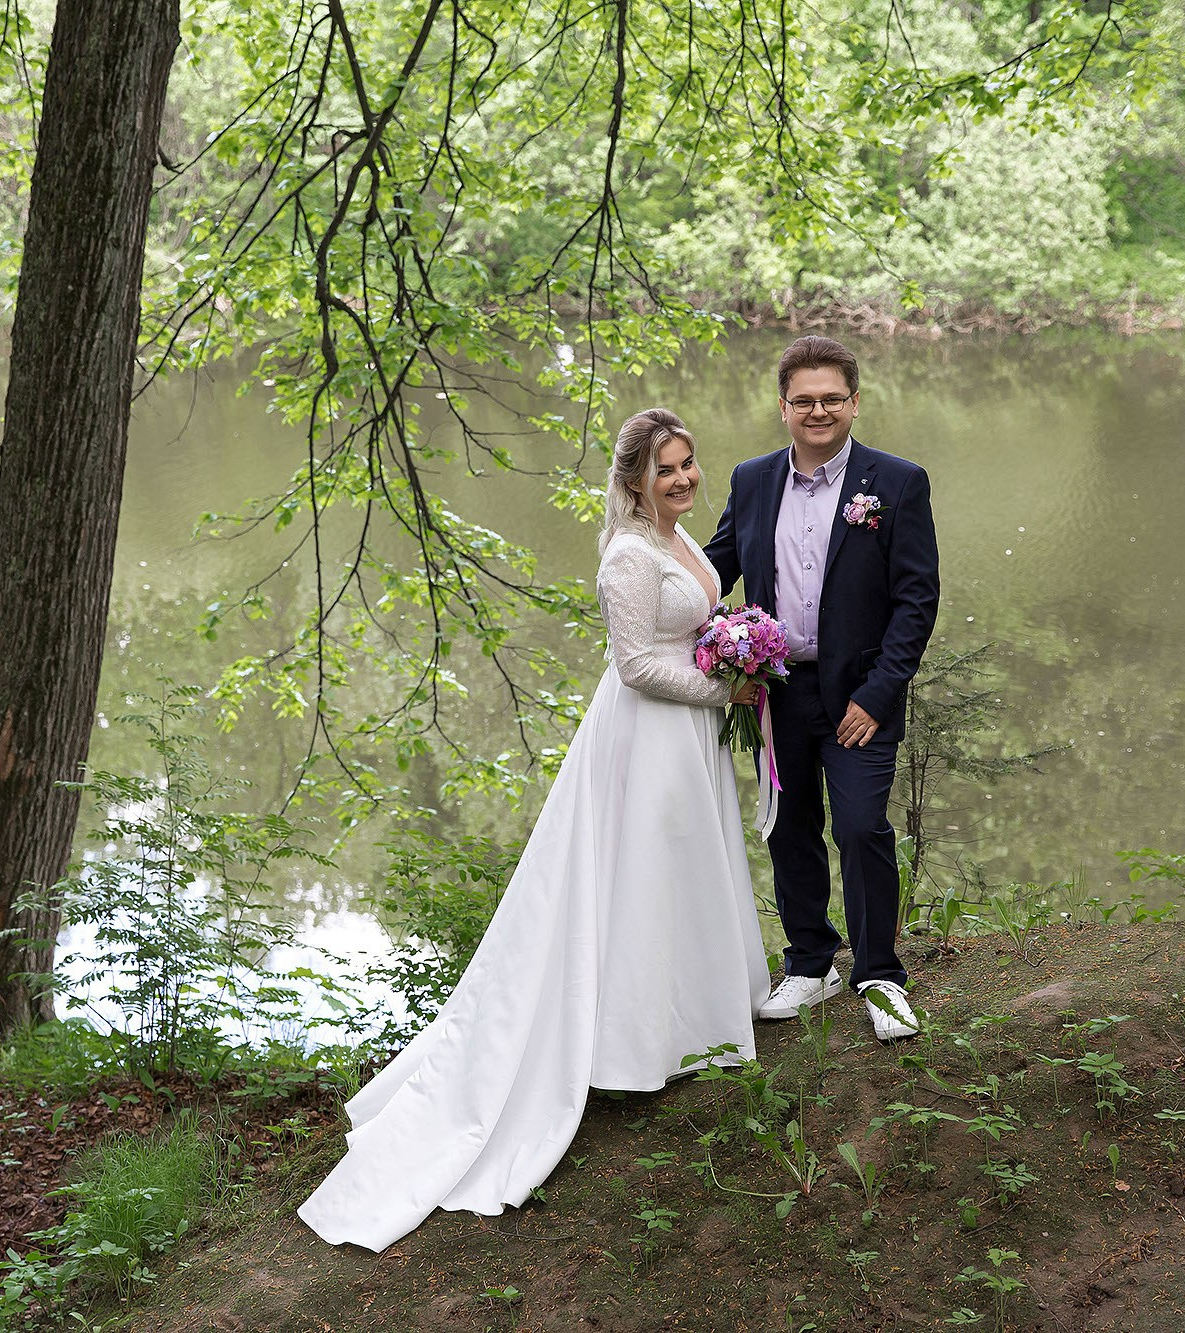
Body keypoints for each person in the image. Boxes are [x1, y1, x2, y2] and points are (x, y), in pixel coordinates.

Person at [298, 408, 770, 1253]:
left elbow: (693, 626)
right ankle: (632, 1047)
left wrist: (734, 647)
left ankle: (695, 1022)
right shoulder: (628, 556)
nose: (683, 479)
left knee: (683, 872)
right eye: (665, 469)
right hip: (647, 736)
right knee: (642, 877)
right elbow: (635, 664)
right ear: (634, 481)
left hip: (685, 736)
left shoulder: (679, 541)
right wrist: (725, 689)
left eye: (688, 463)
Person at [703, 336, 939, 1041]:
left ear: (854, 402)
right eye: (803, 400)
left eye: (832, 398)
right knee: (790, 826)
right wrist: (645, 575)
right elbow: (712, 571)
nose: (818, 411)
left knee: (862, 826)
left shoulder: (896, 482)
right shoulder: (751, 480)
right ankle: (811, 963)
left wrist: (880, 692)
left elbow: (916, 599)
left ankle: (879, 976)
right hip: (773, 693)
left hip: (860, 695)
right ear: (783, 407)